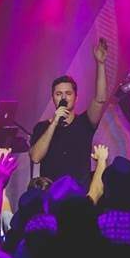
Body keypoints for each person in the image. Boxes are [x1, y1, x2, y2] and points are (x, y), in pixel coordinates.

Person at [29, 39, 109, 189]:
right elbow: (35, 157)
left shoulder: (85, 123)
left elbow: (100, 99)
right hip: (51, 194)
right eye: (59, 94)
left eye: (68, 93)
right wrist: (54, 123)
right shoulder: (42, 128)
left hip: (79, 193)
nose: (64, 97)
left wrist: (100, 64)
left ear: (75, 97)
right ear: (53, 98)